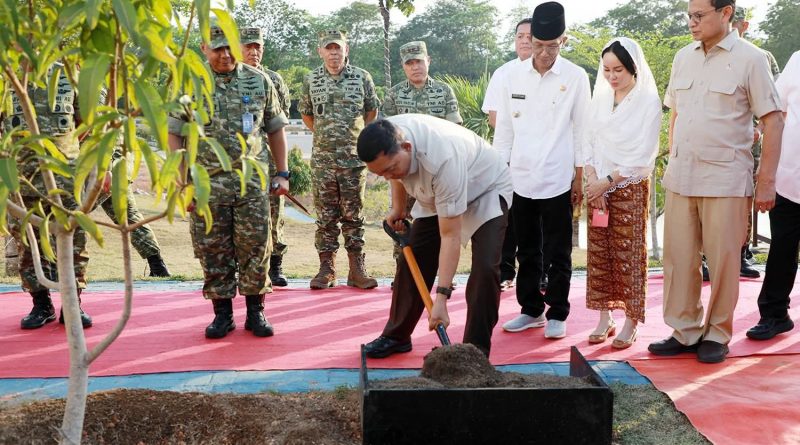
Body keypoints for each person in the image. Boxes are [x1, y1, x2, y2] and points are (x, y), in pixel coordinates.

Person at [648, 0, 784, 364]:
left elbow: (773, 120)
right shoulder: (682, 57)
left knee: (724, 260)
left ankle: (717, 334)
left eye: (699, 16)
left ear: (726, 13)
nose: (691, 23)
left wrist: (766, 180)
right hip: (681, 175)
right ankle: (685, 330)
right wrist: (671, 159)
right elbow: (676, 111)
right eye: (689, 16)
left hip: (726, 177)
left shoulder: (751, 58)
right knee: (678, 259)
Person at [167, 26, 290, 339]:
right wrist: (182, 183)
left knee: (256, 247)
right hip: (207, 185)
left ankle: (255, 312)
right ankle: (222, 315)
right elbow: (175, 133)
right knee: (213, 250)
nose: (225, 55)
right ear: (204, 48)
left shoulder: (258, 79)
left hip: (252, 184)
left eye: (229, 48)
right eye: (217, 48)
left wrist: (283, 173)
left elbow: (275, 129)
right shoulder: (188, 83)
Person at [357, 114, 513, 358]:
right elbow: (394, 174)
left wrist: (441, 299)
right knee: (414, 258)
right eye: (381, 173)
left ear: (407, 147)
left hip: (484, 188)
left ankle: (474, 351)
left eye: (390, 169)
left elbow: (450, 236)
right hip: (438, 191)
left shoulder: (442, 158)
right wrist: (398, 208)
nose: (388, 176)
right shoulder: (389, 137)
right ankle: (396, 336)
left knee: (485, 268)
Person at [493, 2, 590, 339]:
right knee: (526, 249)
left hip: (558, 176)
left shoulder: (576, 77)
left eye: (552, 46)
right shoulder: (509, 75)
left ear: (562, 41)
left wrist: (580, 176)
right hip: (520, 175)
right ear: (529, 40)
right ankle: (531, 309)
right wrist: (498, 176)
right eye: (538, 45)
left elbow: (581, 130)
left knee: (558, 250)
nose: (545, 53)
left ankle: (557, 313)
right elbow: (503, 131)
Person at [583, 38, 661, 348]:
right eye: (606, 70)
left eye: (618, 70)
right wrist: (592, 180)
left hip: (627, 186)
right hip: (597, 189)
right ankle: (604, 317)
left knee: (628, 255)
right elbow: (587, 139)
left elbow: (643, 154)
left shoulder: (647, 102)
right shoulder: (600, 97)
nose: (612, 76)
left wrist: (607, 181)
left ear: (633, 68)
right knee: (600, 255)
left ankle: (631, 320)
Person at [2, 63, 92, 329]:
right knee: (28, 243)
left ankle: (73, 304)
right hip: (21, 177)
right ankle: (41, 305)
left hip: (65, 177)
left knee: (74, 240)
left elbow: (85, 120)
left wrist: (66, 150)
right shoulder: (6, 76)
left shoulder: (69, 73)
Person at [300, 30, 379, 290]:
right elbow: (307, 114)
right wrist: (326, 136)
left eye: (338, 48)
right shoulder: (311, 80)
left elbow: (371, 109)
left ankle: (357, 269)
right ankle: (327, 269)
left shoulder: (362, 77)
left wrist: (354, 138)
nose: (334, 52)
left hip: (354, 161)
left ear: (347, 49)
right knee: (325, 218)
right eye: (328, 48)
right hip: (323, 162)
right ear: (320, 51)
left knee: (354, 216)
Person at [381, 40, 463, 272]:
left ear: (428, 61)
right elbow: (386, 134)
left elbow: (454, 130)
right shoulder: (394, 94)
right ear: (403, 66)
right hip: (405, 172)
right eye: (410, 63)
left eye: (419, 61)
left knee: (439, 222)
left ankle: (439, 272)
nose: (415, 66)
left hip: (437, 170)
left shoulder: (444, 91)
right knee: (402, 221)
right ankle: (404, 271)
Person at [746, 50, 799, 341]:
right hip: (791, 175)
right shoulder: (798, 60)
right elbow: (774, 111)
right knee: (782, 248)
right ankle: (775, 315)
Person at [483, 18, 534, 291]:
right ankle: (505, 272)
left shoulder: (552, 74)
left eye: (530, 35)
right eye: (520, 35)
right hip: (507, 156)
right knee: (507, 217)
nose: (525, 40)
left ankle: (538, 274)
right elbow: (494, 118)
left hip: (540, 158)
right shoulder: (503, 73)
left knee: (534, 218)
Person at [240, 26, 292, 287]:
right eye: (248, 46)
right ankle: (245, 268)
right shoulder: (231, 78)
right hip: (241, 162)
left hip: (269, 160)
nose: (253, 51)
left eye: (257, 46)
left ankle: (275, 264)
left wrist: (282, 168)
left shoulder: (274, 79)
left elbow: (280, 121)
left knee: (274, 212)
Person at [733, 6, 781, 279]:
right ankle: (705, 259)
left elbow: (775, 103)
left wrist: (760, 129)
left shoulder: (761, 57)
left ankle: (741, 254)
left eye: (734, 23)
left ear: (744, 25)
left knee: (744, 200)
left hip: (747, 142)